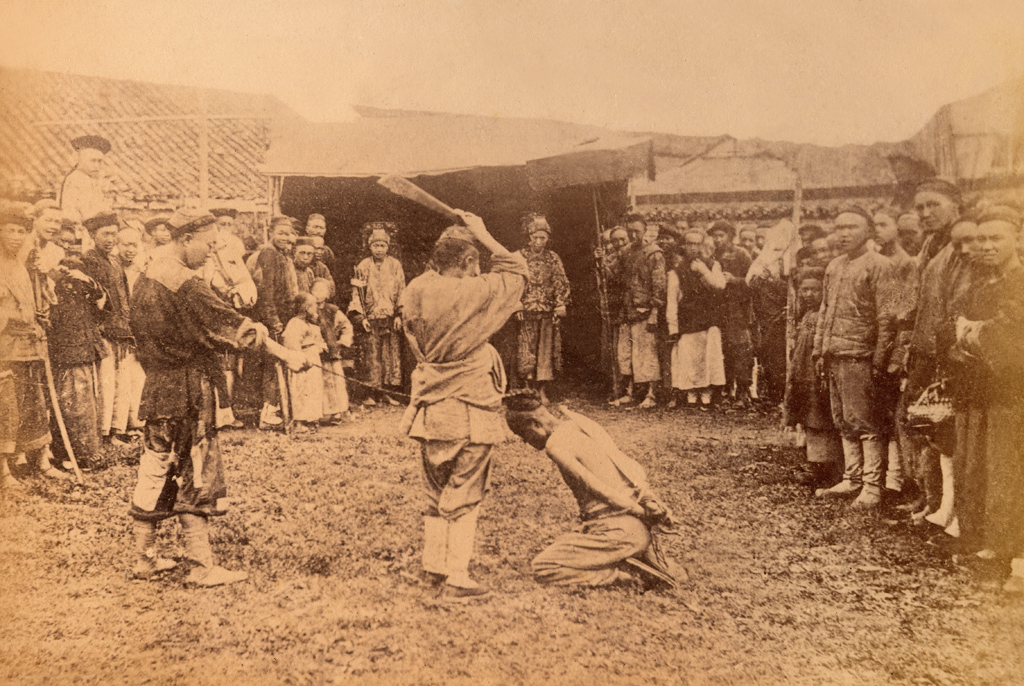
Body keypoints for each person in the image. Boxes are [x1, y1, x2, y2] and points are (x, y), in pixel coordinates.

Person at [128, 208, 305, 585]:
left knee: (156, 466)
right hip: (189, 388)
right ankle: (201, 567)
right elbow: (237, 327)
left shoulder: (144, 276)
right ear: (185, 239)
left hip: (157, 386)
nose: (210, 252)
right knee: (197, 468)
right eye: (208, 244)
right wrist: (288, 354)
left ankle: (144, 559)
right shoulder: (186, 283)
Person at [399, 211, 526, 599]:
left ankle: (432, 569)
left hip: (432, 407)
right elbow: (519, 269)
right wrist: (484, 233)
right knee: (465, 492)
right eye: (475, 264)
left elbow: (410, 334)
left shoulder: (416, 288)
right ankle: (457, 577)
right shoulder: (477, 291)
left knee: (435, 492)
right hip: (471, 409)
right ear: (469, 262)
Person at [503, 391, 679, 588]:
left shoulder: (555, 445)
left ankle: (624, 576)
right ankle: (643, 559)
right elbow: (629, 467)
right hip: (637, 527)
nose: (526, 442)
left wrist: (640, 512)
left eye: (523, 435)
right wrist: (648, 509)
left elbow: (599, 489)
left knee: (543, 567)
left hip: (617, 529)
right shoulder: (577, 423)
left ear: (536, 425)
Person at [944, 208, 1024, 593]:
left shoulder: (1020, 280)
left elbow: (1009, 333)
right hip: (979, 387)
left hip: (1013, 391)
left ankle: (1018, 557)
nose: (987, 246)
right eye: (981, 239)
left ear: (1017, 239)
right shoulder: (978, 283)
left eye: (997, 238)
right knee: (980, 468)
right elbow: (956, 328)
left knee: (1011, 470)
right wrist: (969, 334)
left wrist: (974, 334)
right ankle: (993, 543)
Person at [812, 207, 896, 509]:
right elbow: (824, 310)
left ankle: (873, 486)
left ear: (869, 230)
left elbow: (890, 316)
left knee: (866, 421)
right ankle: (853, 477)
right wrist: (819, 349)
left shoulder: (881, 266)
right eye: (839, 228)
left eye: (852, 227)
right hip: (834, 355)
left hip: (861, 355)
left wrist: (880, 358)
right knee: (843, 420)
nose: (844, 234)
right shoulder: (834, 266)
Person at [899, 179, 965, 522]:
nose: (925, 213)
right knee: (922, 423)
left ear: (955, 205)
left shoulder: (961, 245)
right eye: (919, 207)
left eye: (933, 205)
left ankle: (949, 507)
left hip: (949, 350)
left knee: (946, 429)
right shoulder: (927, 246)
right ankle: (929, 498)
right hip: (922, 348)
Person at [1, 207, 67, 488]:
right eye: (9, 230)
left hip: (30, 343)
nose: (15, 237)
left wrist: (39, 314)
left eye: (20, 231)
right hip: (5, 344)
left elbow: (36, 302)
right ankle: (4, 470)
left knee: (35, 400)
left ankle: (41, 458)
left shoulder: (24, 264)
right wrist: (16, 319)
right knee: (7, 404)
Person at [48, 234, 109, 471]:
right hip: (67, 352)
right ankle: (74, 453)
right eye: (67, 250)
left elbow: (101, 300)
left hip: (85, 349)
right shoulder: (53, 281)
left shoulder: (82, 279)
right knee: (71, 404)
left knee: (86, 403)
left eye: (76, 251)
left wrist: (85, 279)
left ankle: (88, 451)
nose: (71, 257)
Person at [81, 212, 136, 447]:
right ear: (93, 235)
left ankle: (116, 430)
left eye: (114, 234)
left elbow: (124, 295)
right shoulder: (88, 261)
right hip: (103, 331)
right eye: (105, 234)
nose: (110, 239)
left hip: (122, 331)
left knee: (122, 384)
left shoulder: (115, 261)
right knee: (105, 382)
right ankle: (102, 433)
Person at [784, 271, 843, 489]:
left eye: (814, 290)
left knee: (821, 419)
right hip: (803, 375)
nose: (809, 294)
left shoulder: (824, 316)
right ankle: (815, 463)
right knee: (809, 418)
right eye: (804, 290)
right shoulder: (807, 315)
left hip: (817, 375)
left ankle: (825, 467)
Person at [608, 214, 666, 408]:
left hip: (645, 310)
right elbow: (613, 275)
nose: (634, 235)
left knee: (647, 353)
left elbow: (659, 287)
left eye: (637, 231)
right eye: (630, 231)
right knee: (626, 352)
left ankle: (651, 394)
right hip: (627, 310)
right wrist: (601, 261)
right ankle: (630, 392)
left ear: (645, 230)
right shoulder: (624, 252)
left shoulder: (654, 253)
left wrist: (654, 314)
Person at [246, 215, 298, 429]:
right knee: (271, 365)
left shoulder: (283, 256)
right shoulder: (269, 254)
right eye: (281, 233)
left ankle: (275, 409)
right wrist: (274, 322)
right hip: (270, 319)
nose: (286, 238)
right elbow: (265, 291)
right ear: (272, 233)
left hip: (282, 317)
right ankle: (268, 413)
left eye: (289, 233)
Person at [666, 228, 727, 408]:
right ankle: (692, 395)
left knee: (708, 357)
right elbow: (672, 301)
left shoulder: (712, 265)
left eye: (697, 243)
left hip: (709, 319)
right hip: (688, 319)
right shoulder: (676, 271)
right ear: (684, 246)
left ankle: (706, 395)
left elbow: (720, 285)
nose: (693, 247)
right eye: (689, 243)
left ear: (702, 245)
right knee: (690, 357)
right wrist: (673, 328)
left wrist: (703, 271)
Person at [514, 213, 570, 404]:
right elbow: (514, 283)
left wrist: (559, 305)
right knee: (526, 349)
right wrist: (517, 304)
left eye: (542, 238)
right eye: (535, 237)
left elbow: (560, 282)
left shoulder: (552, 258)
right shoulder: (520, 257)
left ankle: (542, 390)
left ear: (548, 238)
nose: (539, 241)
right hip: (527, 311)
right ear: (529, 238)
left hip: (546, 311)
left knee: (545, 351)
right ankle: (528, 389)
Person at [349, 222, 405, 406]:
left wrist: (399, 314)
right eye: (375, 245)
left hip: (389, 316)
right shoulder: (363, 266)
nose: (379, 249)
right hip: (371, 317)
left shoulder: (395, 265)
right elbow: (356, 293)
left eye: (383, 245)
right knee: (371, 355)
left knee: (389, 356)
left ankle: (387, 393)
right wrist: (361, 317)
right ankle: (370, 394)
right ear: (369, 246)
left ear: (388, 247)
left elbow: (401, 290)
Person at [708, 221, 755, 408]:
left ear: (730, 236)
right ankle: (726, 391)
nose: (718, 239)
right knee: (722, 351)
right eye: (715, 236)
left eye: (722, 235)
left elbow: (754, 281)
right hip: (718, 309)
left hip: (738, 310)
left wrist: (735, 280)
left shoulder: (742, 254)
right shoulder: (711, 254)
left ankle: (744, 392)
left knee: (741, 350)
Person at [283, 292, 328, 433]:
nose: (316, 308)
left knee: (314, 390)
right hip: (302, 365)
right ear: (307, 308)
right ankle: (300, 422)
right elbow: (292, 347)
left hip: (314, 361)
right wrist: (302, 359)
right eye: (314, 305)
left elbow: (319, 341)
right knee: (302, 391)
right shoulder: (294, 324)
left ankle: (312, 419)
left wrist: (320, 347)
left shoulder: (311, 324)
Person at [117, 224, 146, 435]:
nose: (130, 250)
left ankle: (136, 421)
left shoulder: (140, 270)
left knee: (138, 376)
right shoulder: (115, 268)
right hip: (122, 329)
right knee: (121, 378)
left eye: (134, 245)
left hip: (138, 327)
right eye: (126, 245)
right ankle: (121, 424)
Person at [59, 135, 112, 249]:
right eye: (93, 161)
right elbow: (71, 212)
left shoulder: (93, 181)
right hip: (82, 235)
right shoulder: (75, 178)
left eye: (100, 162)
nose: (97, 166)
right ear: (81, 160)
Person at [312, 278, 352, 423]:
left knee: (335, 383)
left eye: (323, 291)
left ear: (328, 294)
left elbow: (346, 326)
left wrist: (343, 341)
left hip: (332, 352)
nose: (319, 294)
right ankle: (321, 413)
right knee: (320, 382)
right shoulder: (309, 310)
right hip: (317, 353)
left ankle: (337, 412)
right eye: (316, 290)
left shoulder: (333, 310)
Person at [304, 213, 338, 279]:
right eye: (315, 227)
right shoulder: (299, 247)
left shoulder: (327, 252)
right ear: (307, 228)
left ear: (325, 230)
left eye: (321, 228)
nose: (318, 231)